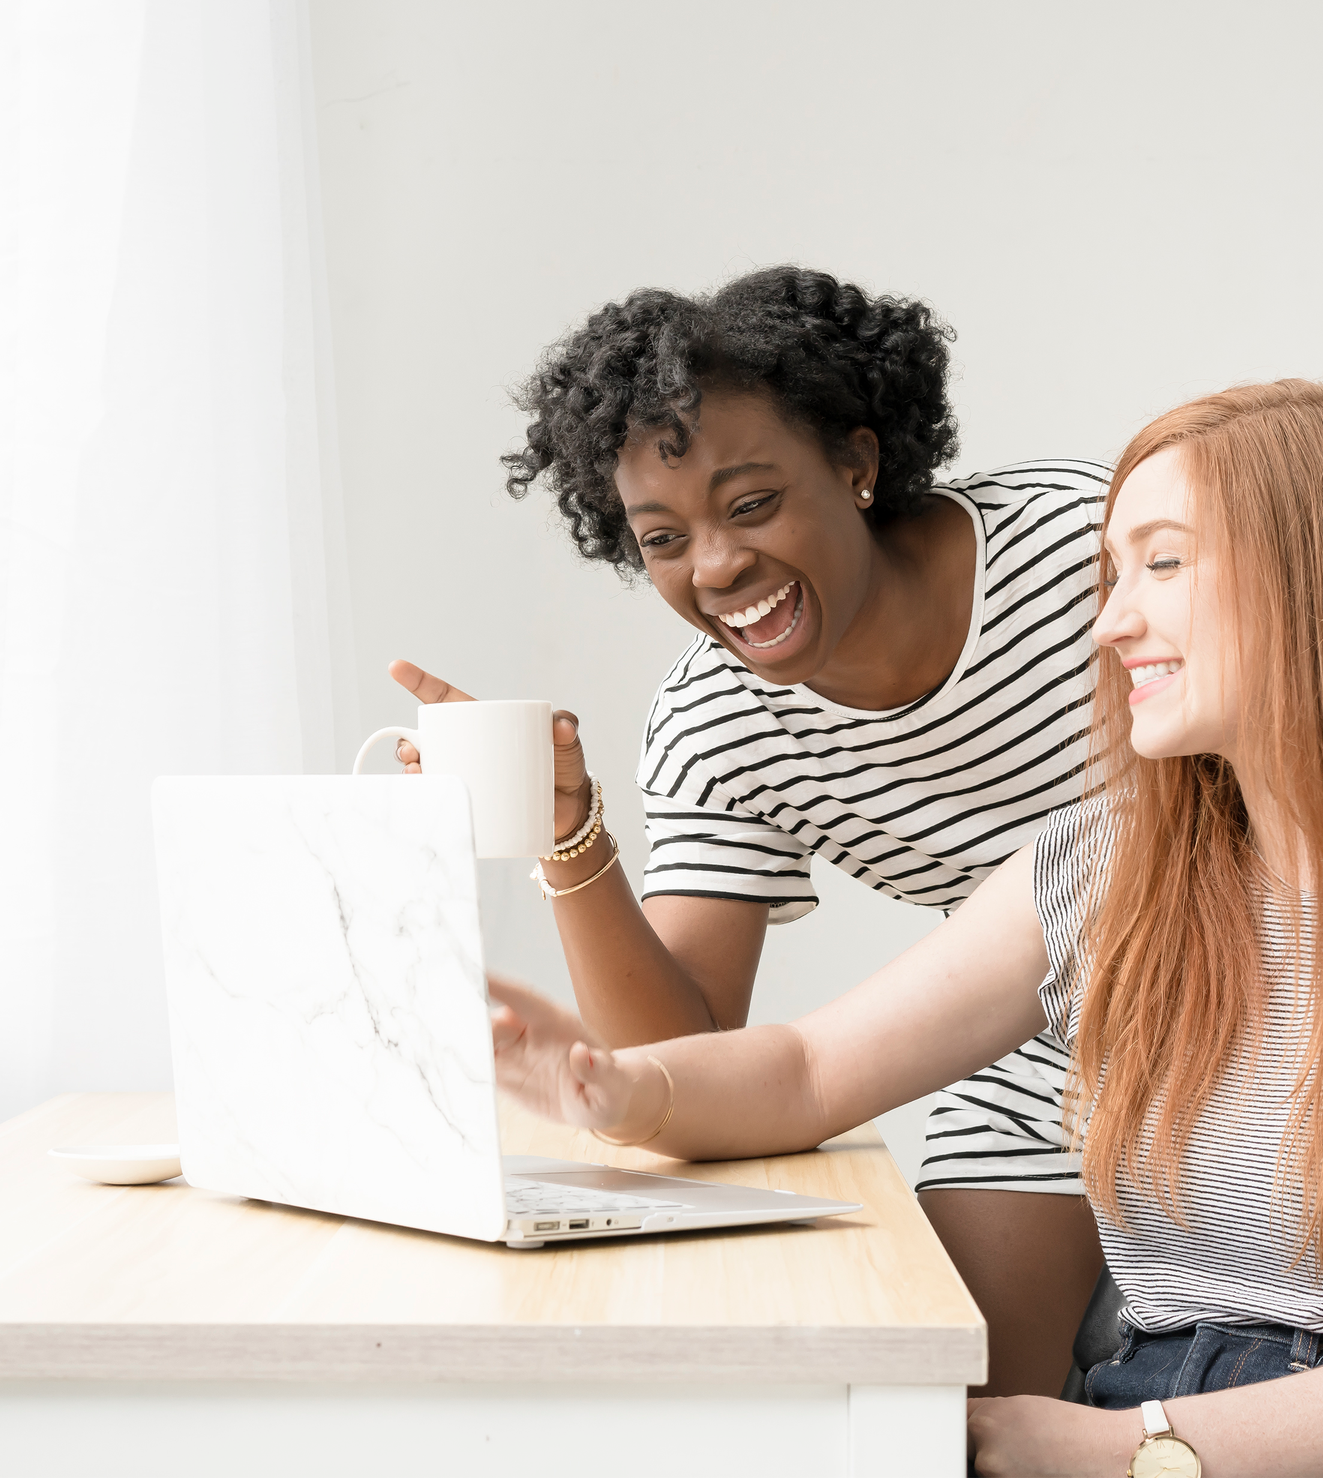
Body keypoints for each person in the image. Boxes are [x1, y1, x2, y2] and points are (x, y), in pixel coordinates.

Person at [487, 378, 1323, 1477]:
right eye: (1112, 574)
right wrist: (611, 1085)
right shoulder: (1104, 866)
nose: (1111, 619)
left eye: (1164, 565)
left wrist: (1130, 1448)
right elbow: (806, 1069)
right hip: (1144, 1404)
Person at [392, 266, 1111, 1394]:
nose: (716, 568)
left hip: (1293, 1006)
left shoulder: (1091, 549)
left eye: (751, 503)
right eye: (663, 537)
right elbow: (687, 1062)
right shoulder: (717, 724)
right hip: (1031, 1046)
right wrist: (567, 832)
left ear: (857, 465)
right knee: (959, 1411)